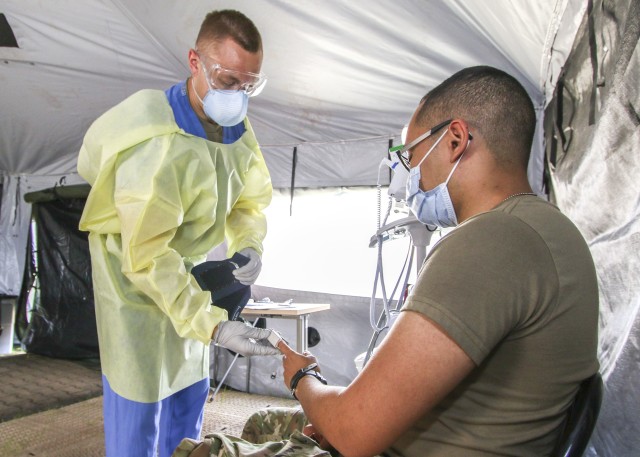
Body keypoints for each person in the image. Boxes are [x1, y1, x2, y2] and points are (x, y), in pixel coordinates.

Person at [173, 65, 600, 457]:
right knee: (263, 421)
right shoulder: (546, 230)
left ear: (455, 140)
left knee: (199, 451)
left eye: (410, 155)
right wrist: (335, 407)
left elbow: (354, 433)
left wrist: (302, 378)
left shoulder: (490, 242)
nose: (408, 174)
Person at [77, 10, 280, 457]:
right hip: (132, 279)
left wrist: (249, 244)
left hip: (186, 273)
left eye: (250, 86)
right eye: (228, 81)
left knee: (187, 393)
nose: (238, 97)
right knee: (141, 396)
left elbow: (249, 199)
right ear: (195, 61)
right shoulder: (155, 145)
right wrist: (212, 325)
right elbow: (148, 256)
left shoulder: (237, 130)